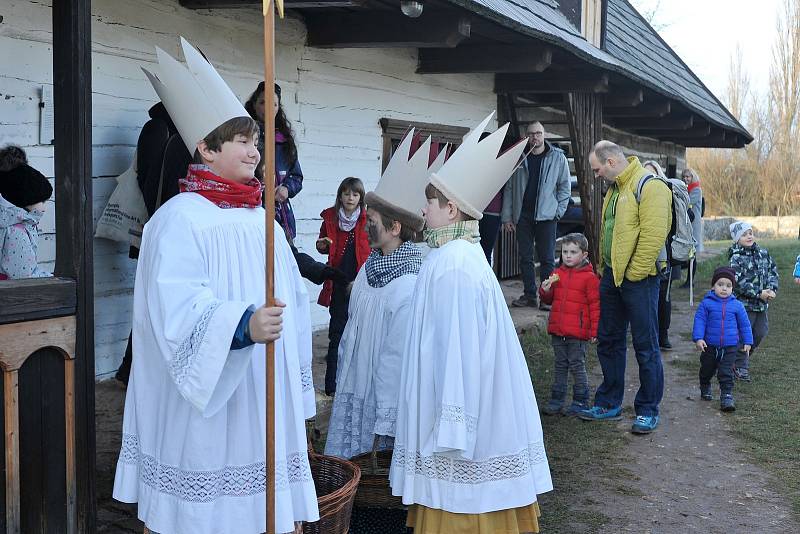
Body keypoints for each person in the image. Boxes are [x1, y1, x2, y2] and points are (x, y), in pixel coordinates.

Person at [113, 38, 318, 534]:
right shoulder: (178, 219)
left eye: (256, 141)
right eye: (242, 141)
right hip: (207, 394)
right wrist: (243, 325)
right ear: (205, 148)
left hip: (261, 389)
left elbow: (292, 293)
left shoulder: (264, 221)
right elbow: (175, 310)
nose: (255, 150)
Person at [390, 113, 552, 533]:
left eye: (430, 202)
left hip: (463, 422)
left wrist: (451, 423)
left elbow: (458, 350)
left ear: (452, 207)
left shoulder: (457, 264)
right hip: (455, 401)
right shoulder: (448, 255)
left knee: (464, 498)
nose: (422, 209)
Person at [578, 141, 672, 435]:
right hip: (612, 278)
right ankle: (608, 403)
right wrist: (607, 270)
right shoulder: (615, 188)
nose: (595, 176)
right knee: (608, 339)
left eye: (596, 169)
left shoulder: (650, 186)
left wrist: (633, 273)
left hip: (638, 280)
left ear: (610, 163)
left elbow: (653, 235)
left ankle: (647, 409)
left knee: (646, 346)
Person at [502, 121, 571, 310]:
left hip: (547, 216)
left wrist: (558, 211)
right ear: (527, 136)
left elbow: (565, 187)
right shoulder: (519, 157)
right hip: (523, 215)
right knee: (525, 257)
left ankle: (547, 298)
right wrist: (507, 216)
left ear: (544, 135)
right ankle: (530, 295)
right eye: (532, 134)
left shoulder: (557, 158)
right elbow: (509, 188)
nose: (535, 137)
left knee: (547, 258)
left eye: (539, 133)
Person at [317, 177, 370, 396]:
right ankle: (332, 387)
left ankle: (355, 386)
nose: (350, 198)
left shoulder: (367, 220)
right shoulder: (330, 217)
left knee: (359, 336)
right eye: (346, 193)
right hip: (338, 283)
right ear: (340, 195)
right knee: (336, 336)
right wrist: (321, 245)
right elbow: (322, 245)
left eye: (355, 194)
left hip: (360, 283)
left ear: (360, 198)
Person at [538, 233, 600, 416]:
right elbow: (548, 299)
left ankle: (581, 400)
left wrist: (595, 331)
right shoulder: (557, 274)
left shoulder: (590, 278)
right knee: (559, 365)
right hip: (559, 330)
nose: (568, 256)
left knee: (577, 365)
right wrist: (545, 290)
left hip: (578, 333)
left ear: (584, 254)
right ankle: (557, 399)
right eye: (565, 252)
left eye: (573, 252)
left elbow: (596, 306)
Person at [245, 81, 303, 240]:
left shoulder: (284, 140)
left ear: (278, 107)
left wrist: (286, 189)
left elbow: (297, 177)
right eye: (263, 102)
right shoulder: (244, 137)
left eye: (274, 104)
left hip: (282, 217)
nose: (268, 108)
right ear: (254, 105)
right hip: (253, 212)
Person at [692, 267, 753, 412]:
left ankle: (726, 395)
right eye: (720, 284)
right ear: (713, 286)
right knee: (707, 369)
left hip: (730, 346)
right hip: (710, 345)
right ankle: (705, 385)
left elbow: (744, 325)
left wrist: (747, 341)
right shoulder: (706, 304)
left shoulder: (737, 306)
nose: (724, 289)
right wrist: (698, 338)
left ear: (732, 288)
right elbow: (699, 321)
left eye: (728, 285)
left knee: (726, 371)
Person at [728, 221, 778, 382]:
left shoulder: (763, 253)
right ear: (736, 239)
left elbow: (773, 271)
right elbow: (738, 281)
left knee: (760, 332)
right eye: (744, 234)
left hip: (761, 305)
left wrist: (771, 289)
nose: (749, 236)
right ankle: (740, 367)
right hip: (744, 305)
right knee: (744, 335)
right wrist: (757, 293)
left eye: (750, 232)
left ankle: (738, 359)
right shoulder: (736, 257)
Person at [0, 145, 53, 280]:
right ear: (25, 201)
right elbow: (23, 276)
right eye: (42, 201)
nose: (44, 208)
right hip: (12, 294)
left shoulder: (11, 222)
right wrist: (49, 278)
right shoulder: (16, 232)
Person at [643, 160, 675, 350]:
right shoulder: (639, 193)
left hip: (665, 255)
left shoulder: (666, 193)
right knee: (649, 297)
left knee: (664, 297)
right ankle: (652, 334)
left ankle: (663, 334)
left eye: (652, 173)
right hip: (647, 253)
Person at [680, 168, 703, 287]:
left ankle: (690, 281)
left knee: (692, 254)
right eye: (684, 177)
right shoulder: (685, 189)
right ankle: (687, 279)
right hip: (686, 223)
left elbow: (687, 202)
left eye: (688, 177)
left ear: (692, 177)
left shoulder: (696, 190)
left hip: (694, 224)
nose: (685, 179)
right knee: (687, 253)